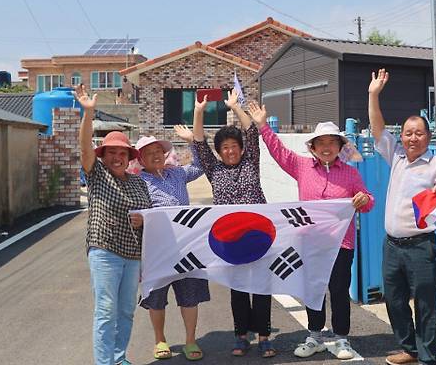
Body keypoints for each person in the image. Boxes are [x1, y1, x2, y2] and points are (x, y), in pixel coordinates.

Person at [247, 104, 374, 361]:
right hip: (309, 244)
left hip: (342, 244)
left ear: (340, 147)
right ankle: (314, 336)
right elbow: (279, 152)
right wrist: (263, 125)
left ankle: (342, 339)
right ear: (313, 147)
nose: (326, 147)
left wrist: (363, 199)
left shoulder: (350, 174)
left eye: (332, 142)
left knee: (339, 291)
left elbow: (369, 202)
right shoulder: (302, 167)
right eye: (321, 143)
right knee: (312, 289)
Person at [367, 69, 436, 365]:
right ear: (402, 136)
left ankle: (429, 356)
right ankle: (409, 349)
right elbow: (378, 129)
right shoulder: (397, 157)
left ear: (428, 136)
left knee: (427, 304)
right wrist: (373, 94)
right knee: (393, 300)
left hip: (420, 246)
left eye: (419, 133)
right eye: (408, 133)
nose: (412, 138)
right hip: (392, 245)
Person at [192, 89, 276, 359]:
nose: (230, 151)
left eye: (234, 146)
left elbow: (251, 132)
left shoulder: (252, 161)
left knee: (262, 287)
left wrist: (235, 106)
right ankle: (241, 336)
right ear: (219, 151)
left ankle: (264, 337)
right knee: (238, 289)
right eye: (225, 147)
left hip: (260, 236)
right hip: (229, 240)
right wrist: (198, 112)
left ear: (241, 148)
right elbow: (198, 144)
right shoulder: (213, 169)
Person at [75, 84, 152, 365]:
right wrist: (88, 113)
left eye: (123, 153)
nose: (117, 157)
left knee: (127, 311)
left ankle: (119, 358)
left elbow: (150, 215)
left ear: (129, 158)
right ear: (103, 155)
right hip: (104, 250)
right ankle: (105, 362)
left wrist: (143, 218)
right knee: (106, 310)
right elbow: (84, 148)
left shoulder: (138, 183)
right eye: (112, 153)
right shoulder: (96, 174)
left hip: (132, 255)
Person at [134, 131, 210, 361]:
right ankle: (159, 340)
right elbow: (132, 210)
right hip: (155, 250)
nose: (156, 155)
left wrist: (192, 140)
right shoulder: (137, 182)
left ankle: (190, 340)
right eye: (150, 153)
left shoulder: (177, 174)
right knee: (156, 298)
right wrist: (138, 219)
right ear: (140, 159)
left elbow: (200, 165)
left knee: (190, 295)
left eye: (159, 151)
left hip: (186, 247)